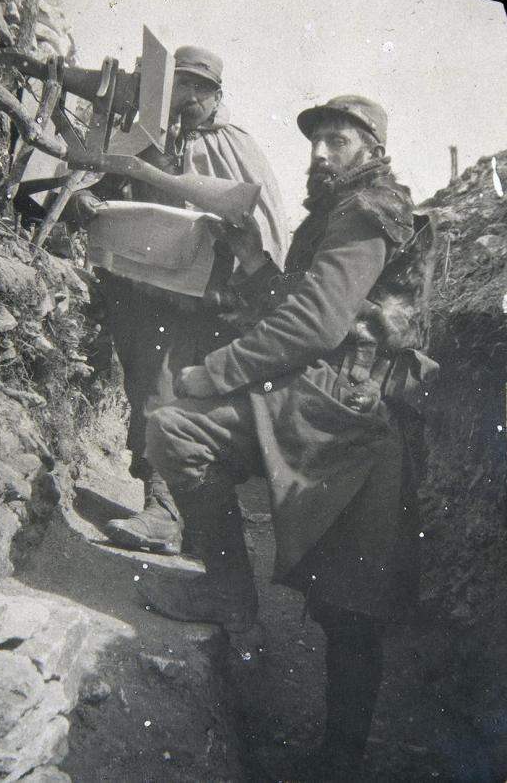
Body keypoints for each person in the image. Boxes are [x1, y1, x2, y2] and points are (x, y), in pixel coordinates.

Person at [140, 96, 438, 782]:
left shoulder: (369, 212)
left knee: (351, 612)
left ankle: (339, 762)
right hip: (319, 408)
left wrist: (211, 370)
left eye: (337, 141)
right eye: (316, 143)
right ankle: (228, 591)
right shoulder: (337, 213)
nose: (320, 154)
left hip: (362, 428)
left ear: (372, 146)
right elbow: (303, 308)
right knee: (176, 430)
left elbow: (315, 324)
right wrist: (252, 265)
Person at [67, 46, 287, 556]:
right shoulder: (140, 137)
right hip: (139, 291)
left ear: (216, 96)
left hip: (203, 298)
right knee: (145, 388)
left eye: (196, 89)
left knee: (172, 397)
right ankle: (171, 510)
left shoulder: (233, 145)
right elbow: (97, 182)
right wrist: (87, 199)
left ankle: (167, 514)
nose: (185, 98)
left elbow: (262, 224)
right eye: (177, 87)